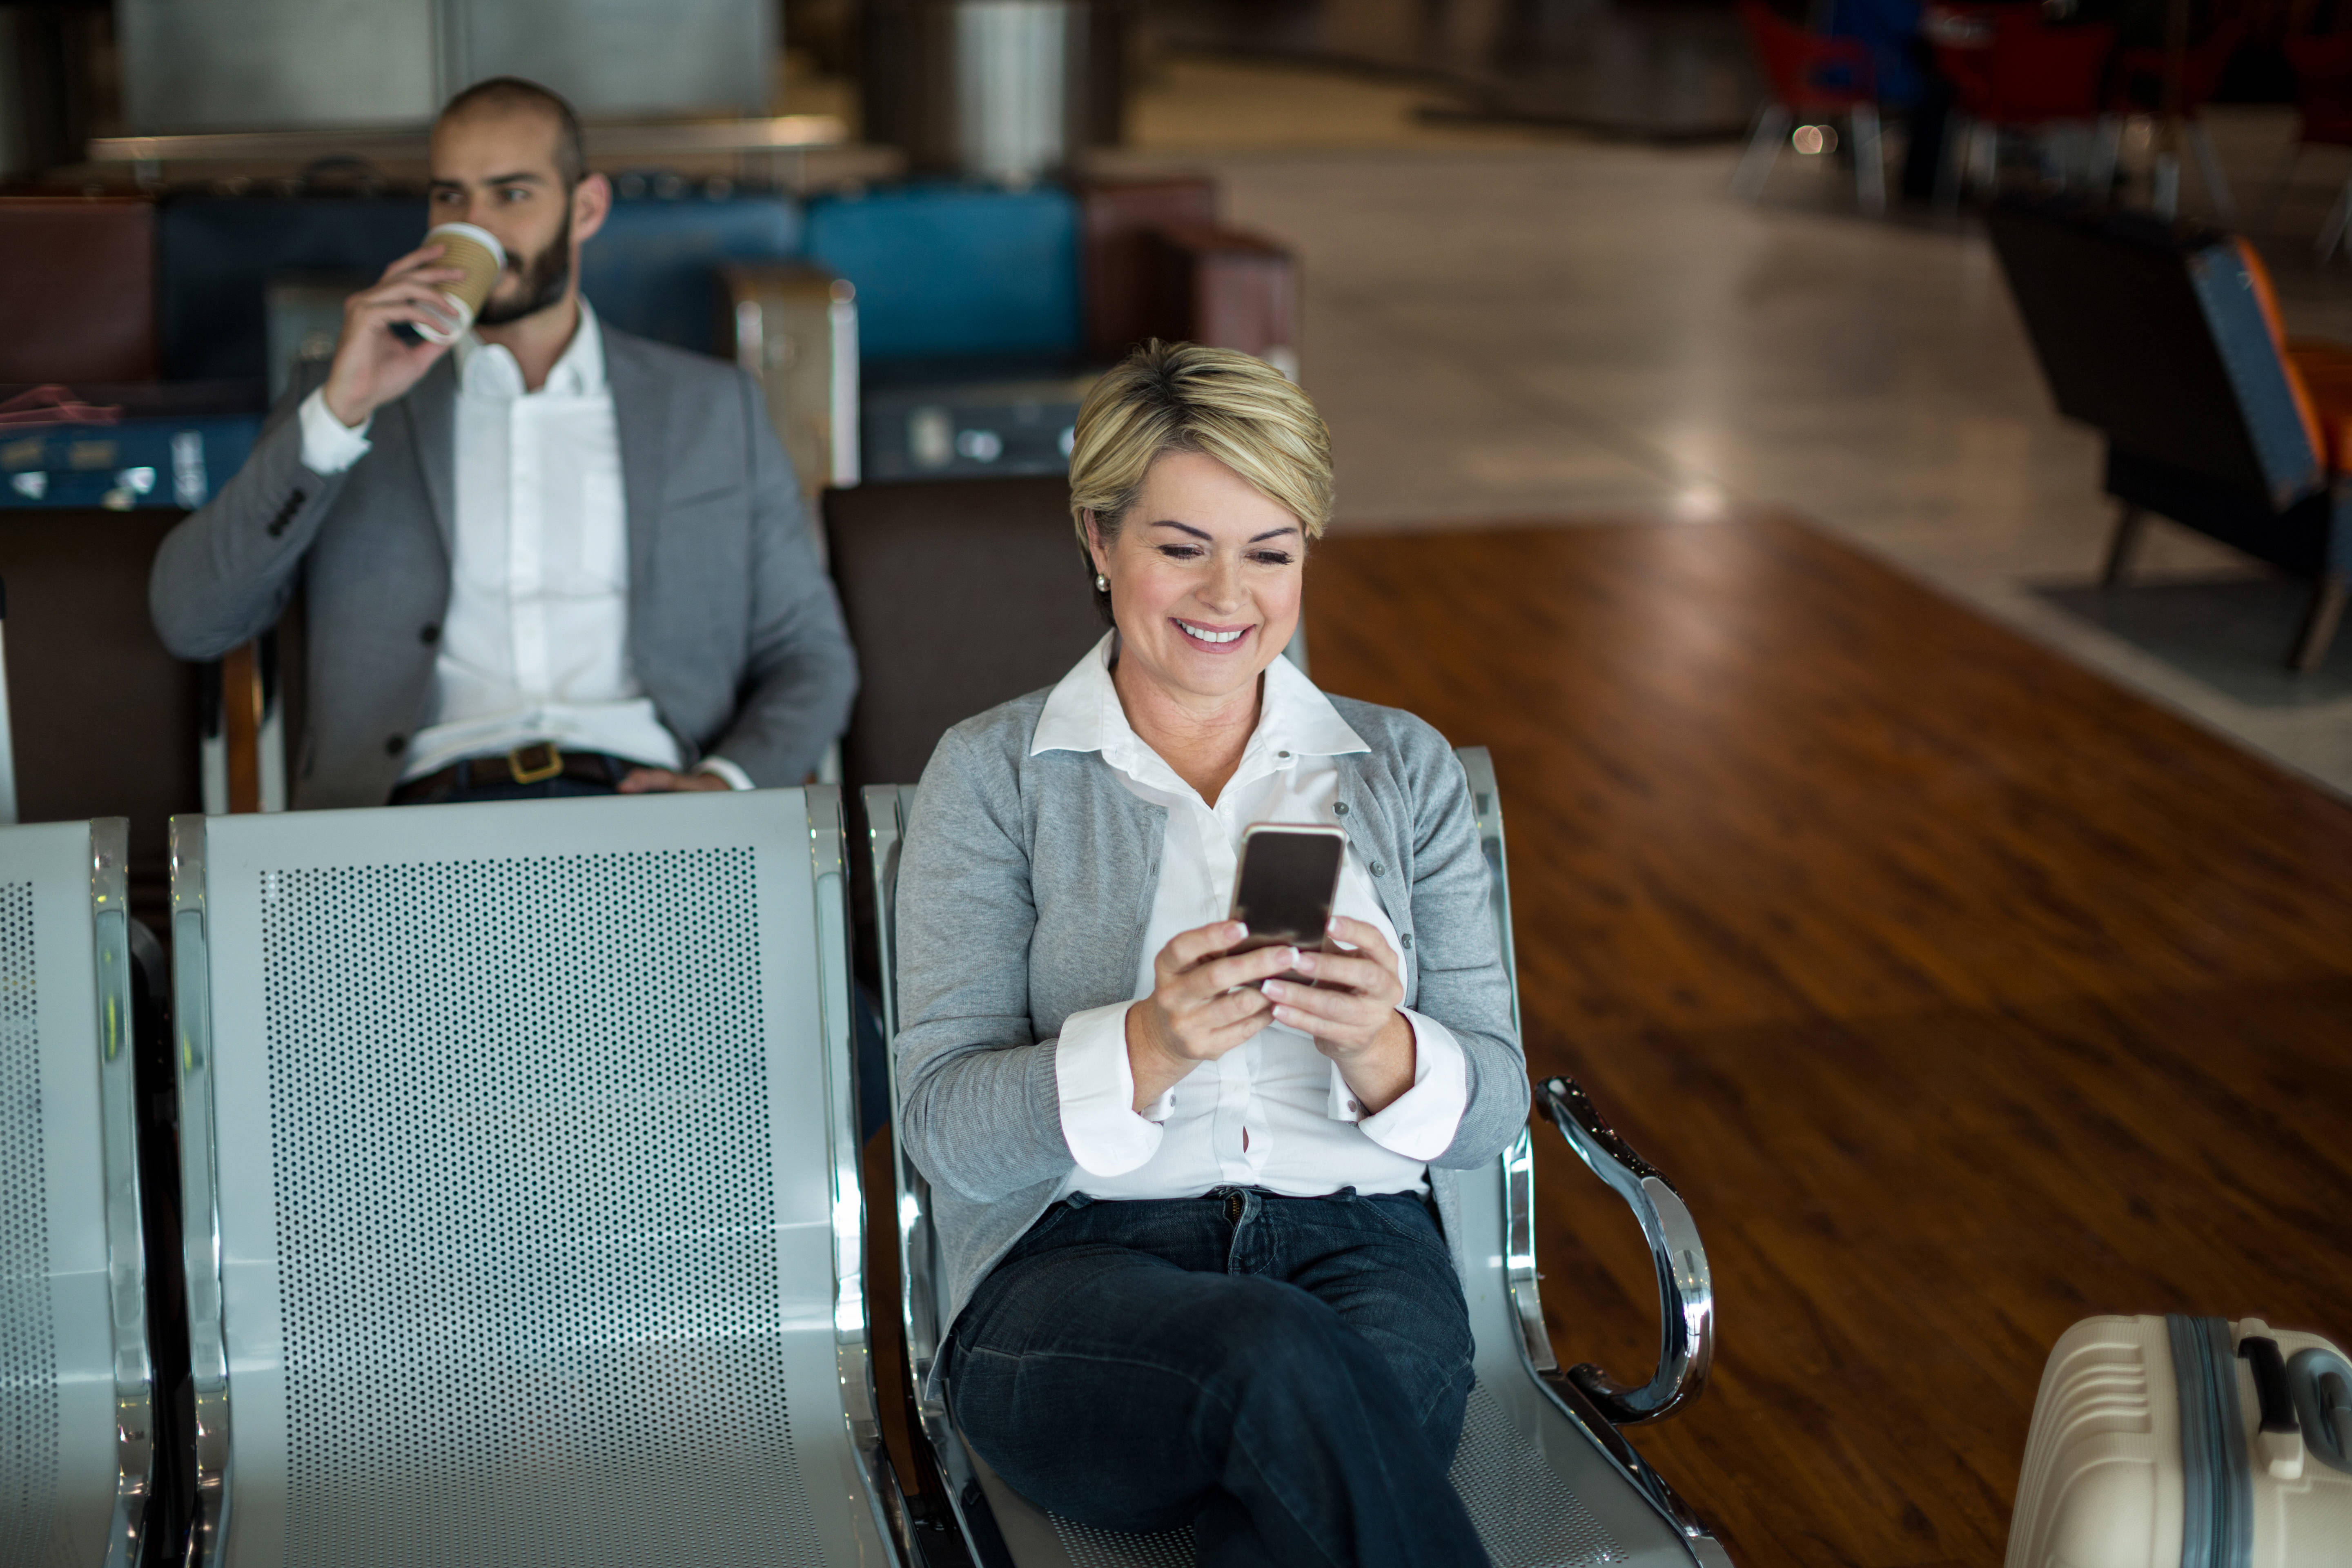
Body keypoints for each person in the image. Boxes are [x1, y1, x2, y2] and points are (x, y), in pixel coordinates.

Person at [892, 341, 1525, 1567]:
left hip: (1365, 1256)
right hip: (1074, 1275)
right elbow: (941, 1130)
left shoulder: (1403, 769)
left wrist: (1385, 1048)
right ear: (1098, 536)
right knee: (1282, 1364)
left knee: (1300, 1477)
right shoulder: (992, 774)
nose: (1229, 595)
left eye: (1271, 552)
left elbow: (1491, 1107)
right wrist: (1146, 1045)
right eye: (1183, 546)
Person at [149, 77, 856, 808]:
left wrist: (723, 781)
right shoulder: (345, 400)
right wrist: (338, 414)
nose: (475, 227)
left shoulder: (711, 409)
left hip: (642, 803)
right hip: (416, 816)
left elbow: (810, 655)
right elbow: (194, 619)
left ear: (585, 209)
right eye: (451, 198)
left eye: (511, 195)